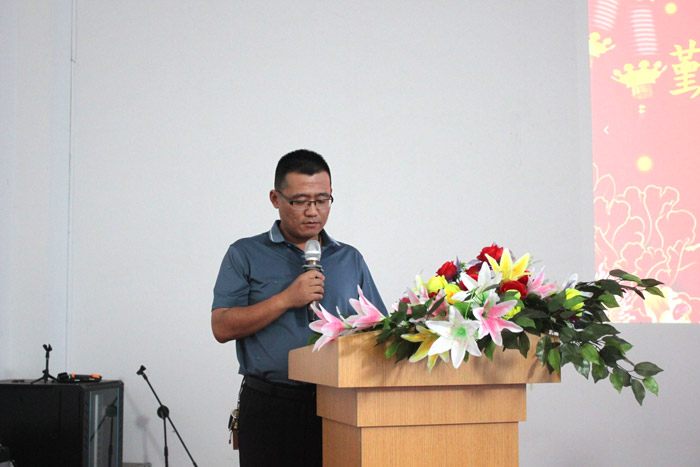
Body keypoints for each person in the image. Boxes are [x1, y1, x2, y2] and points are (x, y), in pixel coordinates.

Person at [211, 149, 385, 467]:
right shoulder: (245, 253)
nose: (313, 211)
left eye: (322, 200)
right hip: (270, 405)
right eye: (301, 201)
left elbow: (377, 330)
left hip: (340, 403)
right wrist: (287, 298)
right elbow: (221, 327)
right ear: (275, 199)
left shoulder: (350, 259)